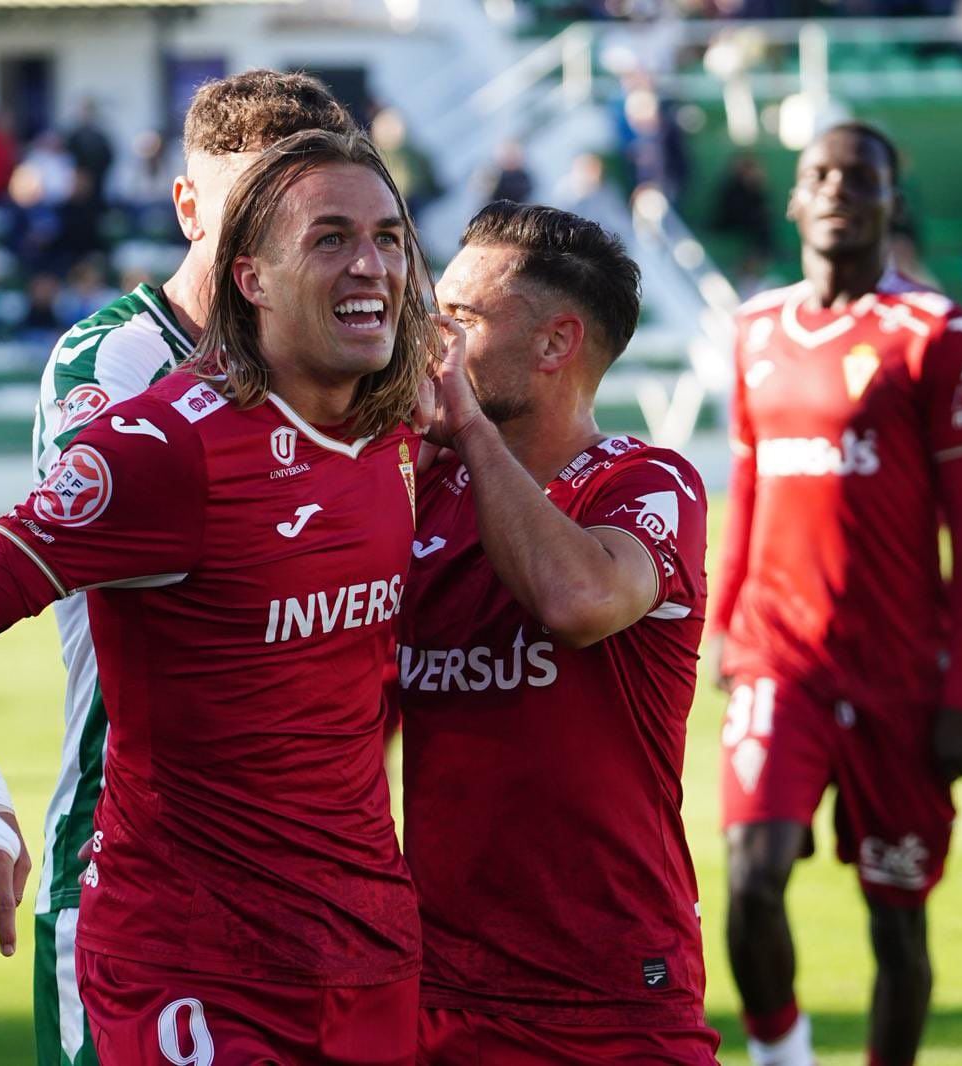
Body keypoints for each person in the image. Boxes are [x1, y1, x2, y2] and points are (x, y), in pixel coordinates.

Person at [0, 127, 434, 1064]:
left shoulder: (399, 435)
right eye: (331, 238)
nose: (371, 265)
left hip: (366, 951)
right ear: (250, 279)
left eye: (389, 237)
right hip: (194, 966)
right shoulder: (163, 449)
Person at [24, 72, 357, 1066]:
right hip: (132, 853)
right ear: (186, 208)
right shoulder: (114, 362)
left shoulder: (345, 363)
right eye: (246, 203)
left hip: (316, 865)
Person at [400, 201, 719, 1063]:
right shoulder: (424, 492)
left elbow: (577, 601)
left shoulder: (645, 482)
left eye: (462, 318)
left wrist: (465, 426)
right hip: (437, 982)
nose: (431, 336)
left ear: (555, 345)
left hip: (608, 989)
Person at [710, 123, 962, 1066]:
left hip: (900, 680)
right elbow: (748, 486)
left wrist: (961, 697)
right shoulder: (756, 330)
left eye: (860, 177)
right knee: (750, 878)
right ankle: (780, 1054)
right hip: (778, 659)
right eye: (820, 176)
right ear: (795, 200)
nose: (838, 190)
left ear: (889, 198)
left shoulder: (940, 337)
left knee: (897, 924)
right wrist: (723, 628)